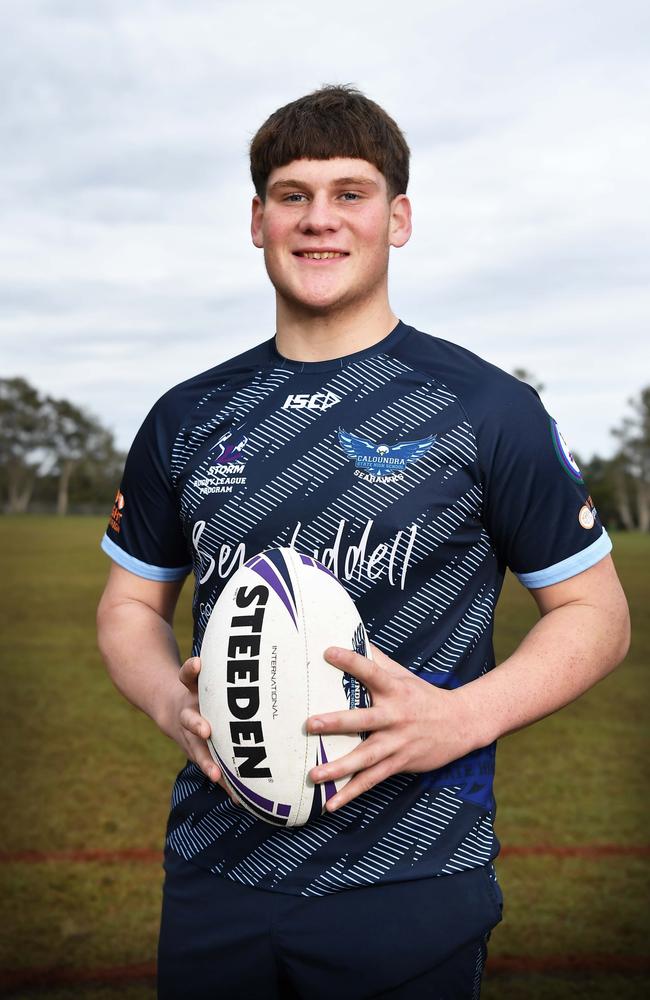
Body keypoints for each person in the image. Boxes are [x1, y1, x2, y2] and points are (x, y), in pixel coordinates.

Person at [97, 85, 630, 999]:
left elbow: (598, 614)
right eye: (293, 195)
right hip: (215, 874)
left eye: (351, 193)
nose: (320, 220)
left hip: (412, 874)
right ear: (257, 220)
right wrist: (166, 704)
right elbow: (129, 605)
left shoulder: (483, 408)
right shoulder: (188, 416)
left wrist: (464, 715)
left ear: (400, 217)